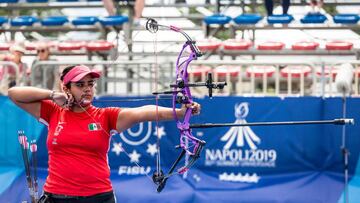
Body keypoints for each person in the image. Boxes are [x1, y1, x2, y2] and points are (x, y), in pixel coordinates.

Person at [8, 64, 201, 203]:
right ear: (66, 88)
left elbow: (141, 112)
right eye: (80, 85)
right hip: (57, 197)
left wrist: (180, 112)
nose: (87, 89)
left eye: (90, 84)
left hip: (98, 197)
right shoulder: (53, 112)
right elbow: (14, 93)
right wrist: (52, 95)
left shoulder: (105, 116)